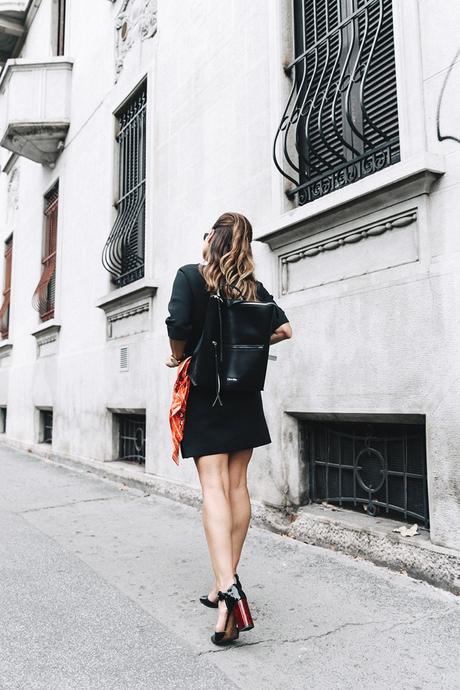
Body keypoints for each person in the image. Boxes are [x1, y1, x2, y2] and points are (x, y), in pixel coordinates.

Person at [164, 212, 292, 645]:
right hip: (243, 396)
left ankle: (228, 591)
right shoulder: (251, 288)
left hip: (206, 394)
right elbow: (284, 328)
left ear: (212, 241)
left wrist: (178, 354)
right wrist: (247, 344)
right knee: (238, 487)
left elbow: (178, 326)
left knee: (213, 490)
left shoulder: (190, 276)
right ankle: (224, 583)